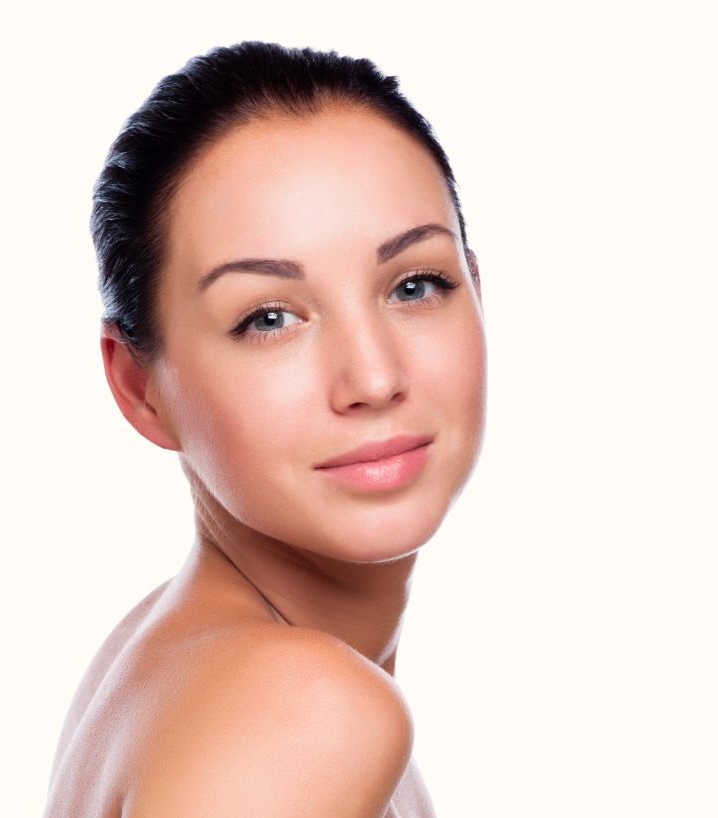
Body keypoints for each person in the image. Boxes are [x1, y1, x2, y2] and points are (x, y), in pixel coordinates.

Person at [45, 42, 487, 818]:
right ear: (139, 386)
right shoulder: (300, 712)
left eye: (415, 284)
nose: (375, 379)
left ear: (476, 289)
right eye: (269, 318)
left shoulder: (172, 658)